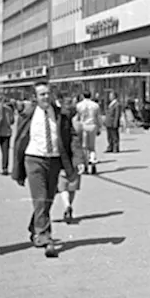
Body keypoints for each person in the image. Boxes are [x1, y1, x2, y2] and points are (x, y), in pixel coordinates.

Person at [11, 83, 75, 258]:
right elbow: (19, 142)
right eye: (42, 95)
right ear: (35, 97)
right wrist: (16, 169)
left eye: (48, 94)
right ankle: (46, 237)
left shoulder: (61, 113)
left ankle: (35, 227)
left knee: (48, 200)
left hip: (54, 160)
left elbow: (71, 135)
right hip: (34, 160)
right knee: (40, 198)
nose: (46, 97)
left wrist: (77, 160)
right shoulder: (28, 115)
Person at [56, 95, 84, 224]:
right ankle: (69, 205)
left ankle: (66, 204)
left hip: (62, 156)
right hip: (75, 157)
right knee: (72, 184)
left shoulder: (61, 122)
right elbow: (78, 142)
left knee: (63, 185)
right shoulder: (78, 125)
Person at [73, 90, 101, 175]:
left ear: (83, 96)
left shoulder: (79, 105)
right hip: (92, 125)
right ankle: (93, 161)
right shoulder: (95, 105)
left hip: (83, 126)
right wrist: (99, 128)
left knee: (84, 147)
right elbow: (98, 117)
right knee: (92, 147)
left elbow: (76, 118)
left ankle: (85, 165)